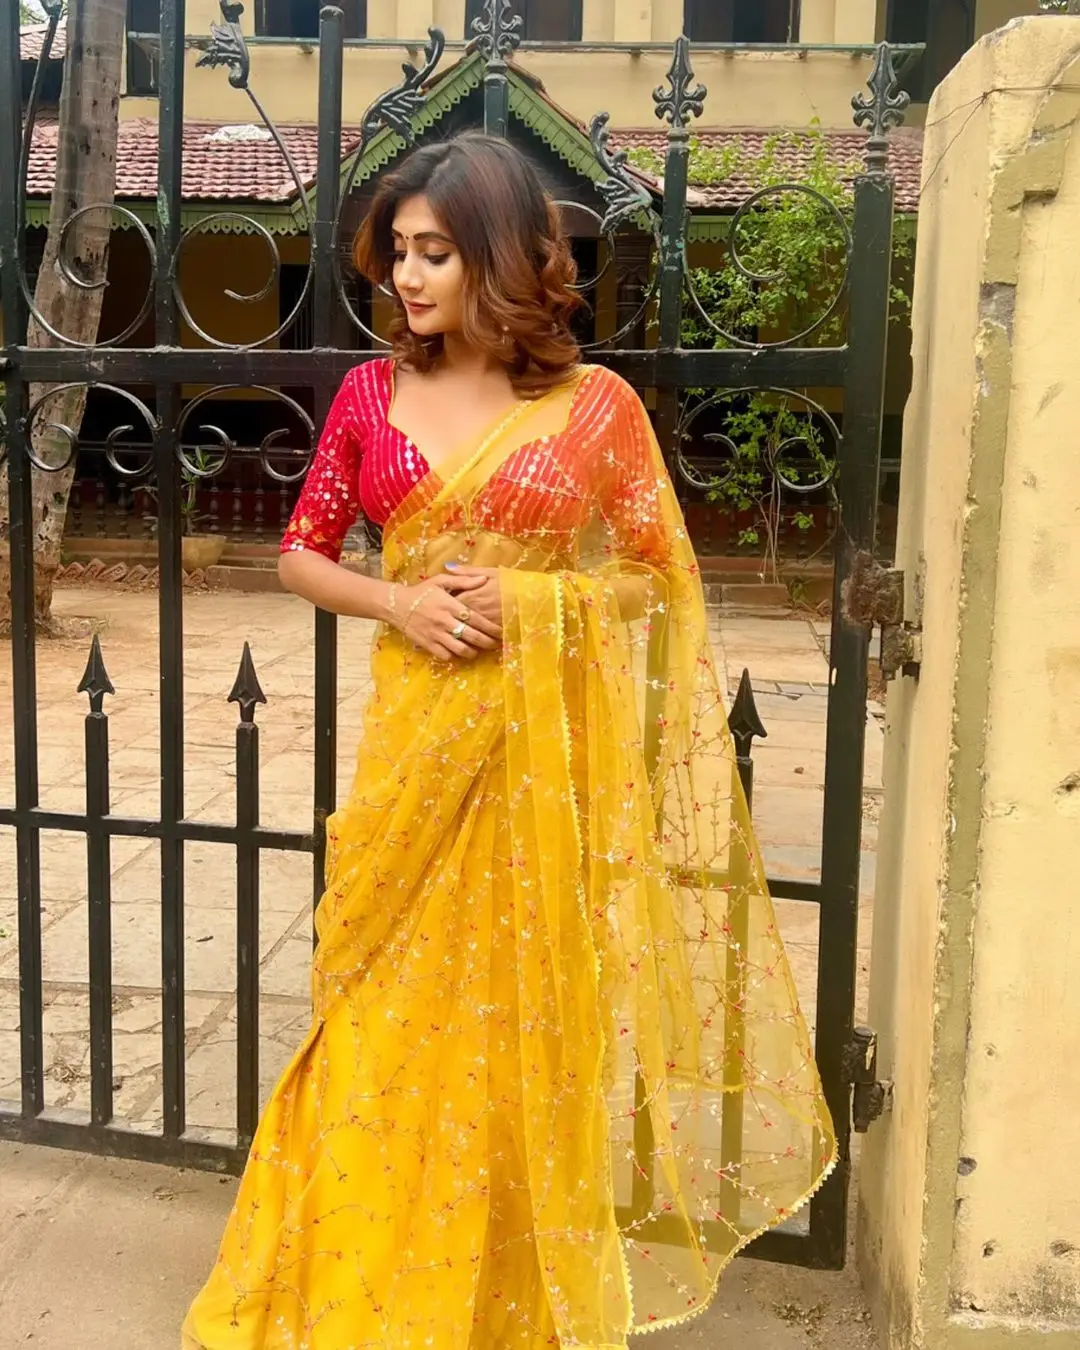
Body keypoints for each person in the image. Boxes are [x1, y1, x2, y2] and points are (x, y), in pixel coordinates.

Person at [182, 131, 834, 1350]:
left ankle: (497, 1303)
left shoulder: (597, 410)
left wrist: (539, 602)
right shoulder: (373, 395)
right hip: (415, 760)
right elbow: (299, 552)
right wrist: (400, 601)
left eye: (435, 252)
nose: (407, 281)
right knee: (377, 1018)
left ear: (504, 258)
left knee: (519, 1034)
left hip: (543, 775)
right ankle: (361, 1283)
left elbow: (660, 580)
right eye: (396, 256)